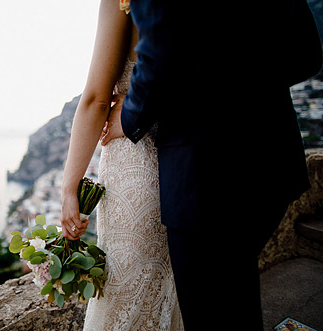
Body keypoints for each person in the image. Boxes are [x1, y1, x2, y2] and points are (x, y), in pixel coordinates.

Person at [98, 0, 321, 329]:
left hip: (202, 176)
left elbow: (160, 49)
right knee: (234, 306)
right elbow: (306, 54)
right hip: (273, 160)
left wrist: (129, 116)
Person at [59, 0, 182, 329]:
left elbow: (95, 99)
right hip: (185, 166)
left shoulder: (121, 2)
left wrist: (70, 187)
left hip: (136, 168)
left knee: (121, 302)